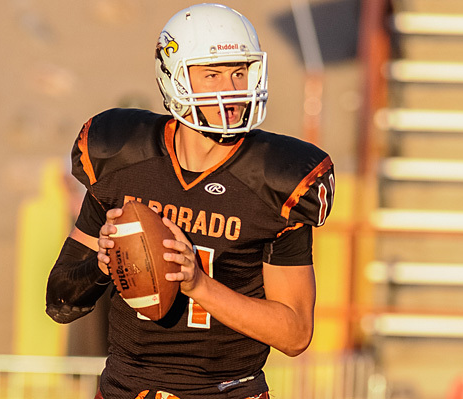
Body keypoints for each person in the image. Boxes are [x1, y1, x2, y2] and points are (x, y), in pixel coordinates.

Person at [45, 3, 335, 399]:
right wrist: (102, 266)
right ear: (175, 76)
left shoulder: (277, 177)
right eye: (212, 74)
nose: (232, 88)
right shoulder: (122, 156)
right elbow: (60, 301)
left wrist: (199, 284)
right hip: (127, 389)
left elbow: (295, 333)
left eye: (239, 71)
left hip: (228, 391)